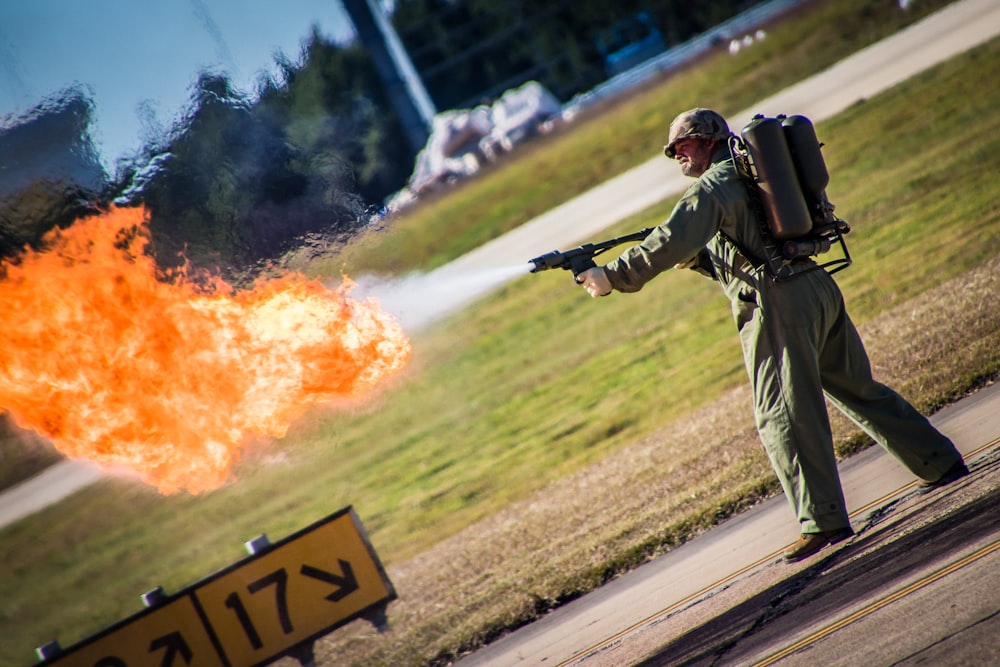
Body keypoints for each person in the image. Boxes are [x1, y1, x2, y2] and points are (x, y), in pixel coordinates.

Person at [576, 108, 969, 562]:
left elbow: (668, 240)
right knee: (857, 388)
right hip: (817, 288)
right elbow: (741, 250)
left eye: (682, 144)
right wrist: (701, 262)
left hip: (778, 304)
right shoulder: (752, 174)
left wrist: (610, 277)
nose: (676, 154)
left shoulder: (711, 187)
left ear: (707, 140)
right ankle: (937, 460)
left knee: (780, 413)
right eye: (672, 150)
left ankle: (820, 520)